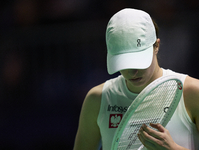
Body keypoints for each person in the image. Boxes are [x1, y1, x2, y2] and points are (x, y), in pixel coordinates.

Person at [73, 8, 199, 150]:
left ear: (156, 46)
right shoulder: (98, 99)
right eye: (124, 63)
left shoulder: (192, 92)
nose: (132, 72)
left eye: (139, 61)